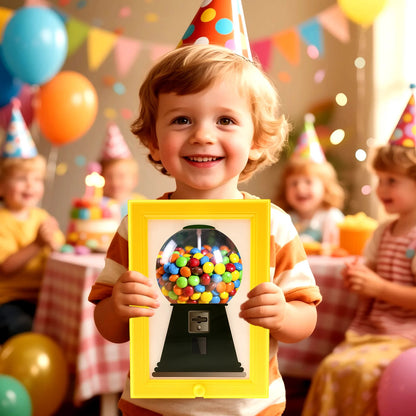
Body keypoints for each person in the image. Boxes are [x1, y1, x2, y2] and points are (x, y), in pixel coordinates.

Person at [88, 43, 321, 416]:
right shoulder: (138, 228)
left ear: (257, 140)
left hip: (250, 407)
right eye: (182, 120)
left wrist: (283, 315)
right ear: (152, 138)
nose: (202, 135)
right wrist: (118, 306)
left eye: (225, 120)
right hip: (152, 406)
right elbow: (109, 327)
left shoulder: (274, 225)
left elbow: (305, 317)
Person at [301, 87, 416, 416]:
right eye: (379, 180)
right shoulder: (384, 230)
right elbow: (370, 265)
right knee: (331, 367)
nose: (381, 190)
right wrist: (359, 274)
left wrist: (378, 287)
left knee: (366, 374)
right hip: (374, 329)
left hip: (408, 336)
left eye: (391, 181)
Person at [0, 154, 64, 344]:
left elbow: (59, 250)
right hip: (9, 300)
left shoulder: (42, 217)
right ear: (2, 186)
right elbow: (6, 267)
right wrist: (37, 244)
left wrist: (55, 245)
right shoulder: (2, 221)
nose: (30, 185)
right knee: (22, 328)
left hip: (43, 298)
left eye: (37, 179)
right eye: (21, 178)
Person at [274, 115, 345, 248]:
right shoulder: (286, 219)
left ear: (326, 187)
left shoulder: (332, 218)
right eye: (294, 183)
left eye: (308, 182)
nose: (300, 188)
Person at [99, 122, 146, 217]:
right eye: (108, 176)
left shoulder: (141, 204)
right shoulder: (96, 206)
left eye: (121, 176)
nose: (115, 182)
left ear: (134, 179)